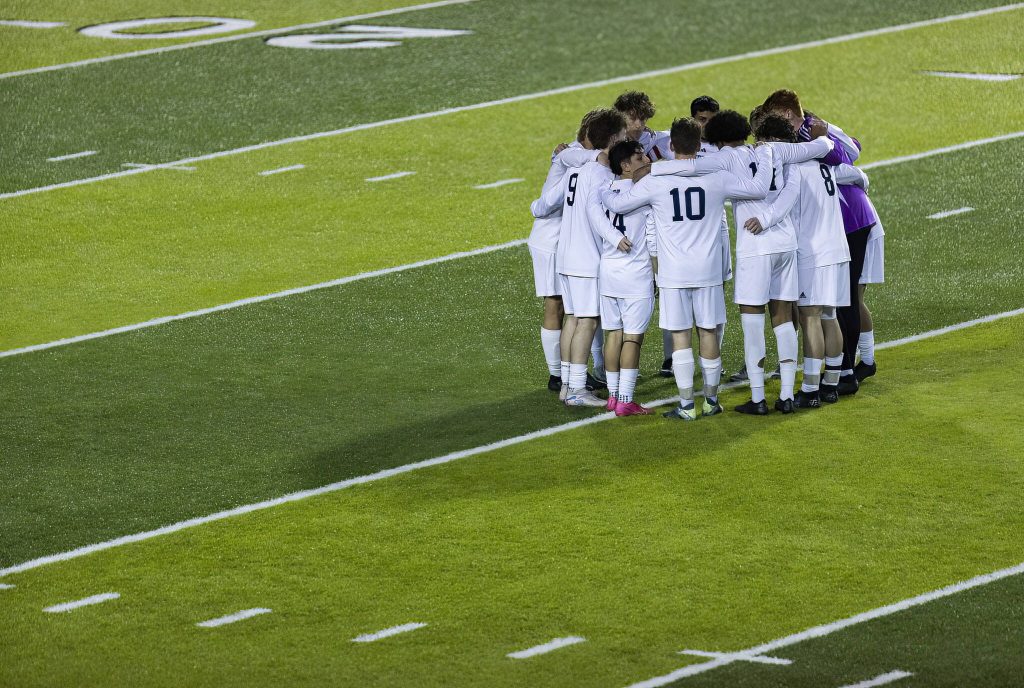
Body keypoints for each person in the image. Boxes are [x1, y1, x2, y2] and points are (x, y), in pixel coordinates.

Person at [601, 118, 772, 420]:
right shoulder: (717, 177)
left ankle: (686, 406)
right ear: (699, 144)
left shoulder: (656, 181)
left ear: (670, 146)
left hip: (673, 272)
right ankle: (711, 400)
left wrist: (604, 189)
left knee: (680, 337)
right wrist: (769, 154)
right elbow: (759, 188)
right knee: (708, 332)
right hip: (708, 271)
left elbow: (618, 205)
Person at [763, 89, 878, 395]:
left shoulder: (806, 140)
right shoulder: (815, 138)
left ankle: (835, 377)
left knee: (831, 307)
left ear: (785, 114)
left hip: (844, 224)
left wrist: (854, 173)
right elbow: (847, 155)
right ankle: (839, 373)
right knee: (833, 308)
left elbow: (851, 152)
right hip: (837, 230)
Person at [531, 108, 628, 407]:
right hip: (588, 258)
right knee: (587, 321)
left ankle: (567, 385)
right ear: (612, 138)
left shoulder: (576, 169)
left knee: (572, 320)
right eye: (622, 135)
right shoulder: (602, 174)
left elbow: (543, 204)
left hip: (566, 257)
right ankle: (575, 390)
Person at [527, 111, 601, 393]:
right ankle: (556, 374)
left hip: (566, 241)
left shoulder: (577, 154)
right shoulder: (571, 154)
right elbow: (548, 202)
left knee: (574, 308)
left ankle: (571, 372)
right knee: (555, 305)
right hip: (551, 240)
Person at [600, 140, 658, 416]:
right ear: (624, 166)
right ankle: (625, 400)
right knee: (633, 339)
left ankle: (612, 396)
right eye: (638, 157)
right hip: (636, 275)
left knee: (614, 333)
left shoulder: (603, 192)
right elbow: (652, 238)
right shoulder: (642, 194)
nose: (646, 158)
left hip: (609, 272)